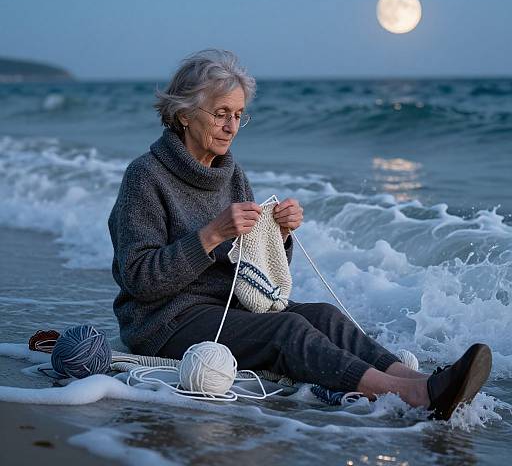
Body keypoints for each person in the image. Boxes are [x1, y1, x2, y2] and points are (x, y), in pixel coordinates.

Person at [108, 49, 491, 420]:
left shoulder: (232, 174)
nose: (231, 127)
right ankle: (410, 396)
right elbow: (140, 280)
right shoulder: (146, 176)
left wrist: (279, 235)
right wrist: (209, 236)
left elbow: (256, 275)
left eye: (239, 115)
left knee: (324, 315)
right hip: (165, 322)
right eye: (221, 113)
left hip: (229, 309)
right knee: (287, 329)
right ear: (184, 114)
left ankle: (426, 382)